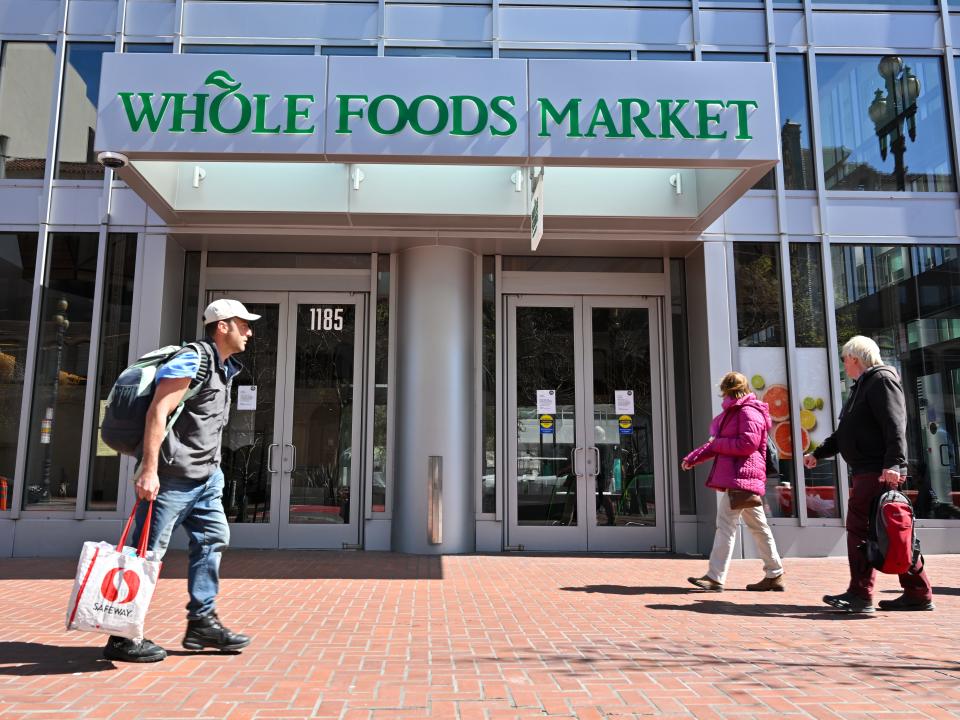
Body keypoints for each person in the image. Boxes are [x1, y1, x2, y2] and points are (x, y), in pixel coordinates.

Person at [103, 299, 260, 663]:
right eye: (243, 324)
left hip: (206, 479)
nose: (249, 331)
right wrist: (149, 470)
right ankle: (121, 635)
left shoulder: (225, 369)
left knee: (213, 539)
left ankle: (201, 623)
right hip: (171, 479)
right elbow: (159, 410)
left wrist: (214, 471)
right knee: (145, 554)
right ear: (222, 326)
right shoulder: (194, 359)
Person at [804, 335, 935, 613]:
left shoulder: (880, 380)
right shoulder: (862, 386)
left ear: (854, 358)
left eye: (844, 359)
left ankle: (861, 594)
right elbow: (844, 434)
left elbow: (895, 424)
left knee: (862, 530)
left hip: (878, 471)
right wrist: (818, 454)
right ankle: (918, 593)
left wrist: (894, 464)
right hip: (870, 470)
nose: (843, 365)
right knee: (891, 531)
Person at [682, 372, 785, 592]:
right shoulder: (733, 412)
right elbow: (716, 444)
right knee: (758, 526)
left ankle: (715, 577)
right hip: (740, 479)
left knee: (726, 526)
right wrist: (694, 458)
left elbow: (747, 444)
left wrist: (717, 445)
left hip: (741, 478)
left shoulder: (748, 411)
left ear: (727, 390)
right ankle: (774, 573)